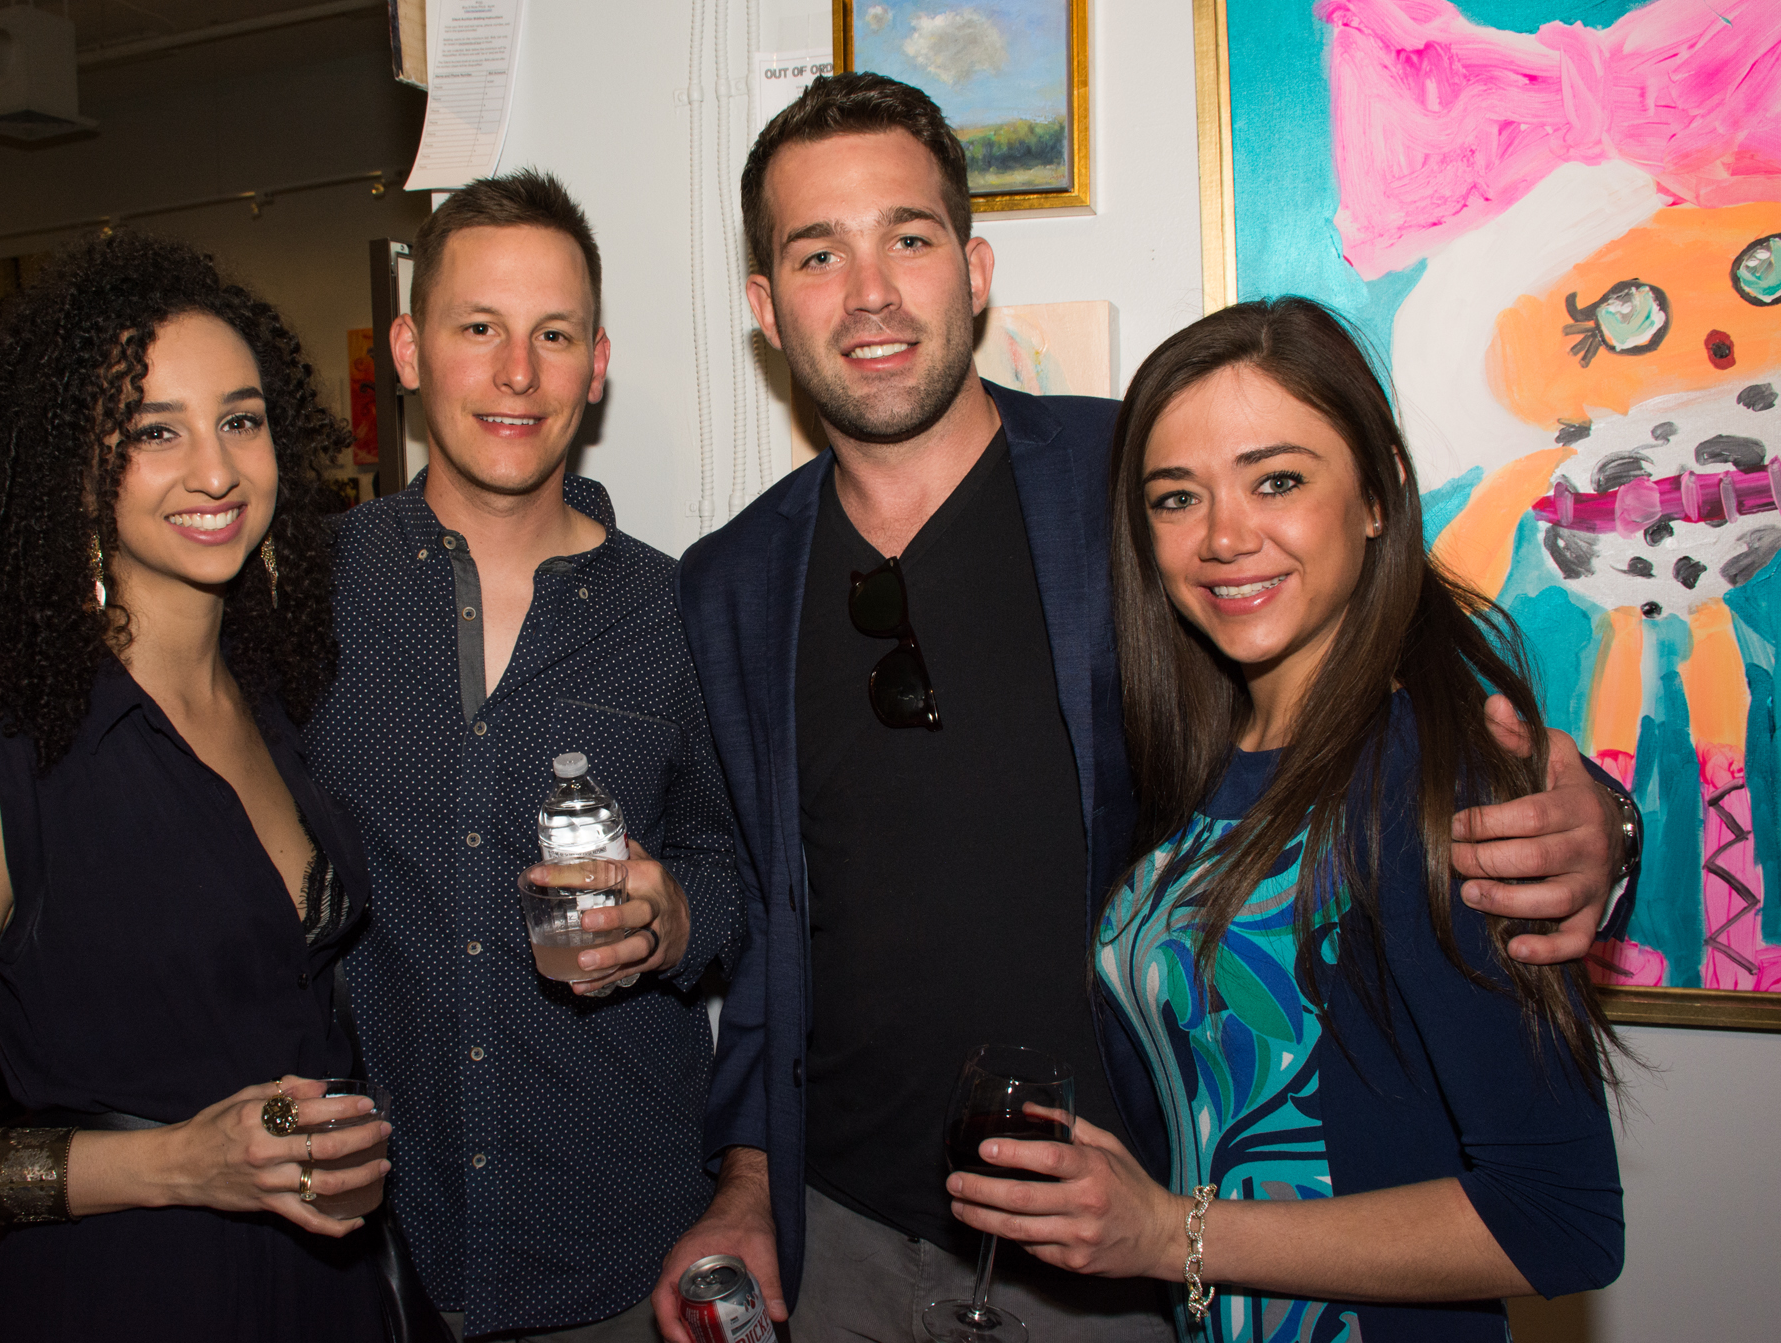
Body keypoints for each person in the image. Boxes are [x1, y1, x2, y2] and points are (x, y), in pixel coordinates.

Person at [658, 73, 1638, 1342]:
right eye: (816, 253)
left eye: (906, 237)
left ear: (972, 268)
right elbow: (766, 919)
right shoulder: (728, 582)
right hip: (838, 1238)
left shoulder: (1141, 484)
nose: (869, 293)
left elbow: (1389, 668)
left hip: (1127, 1256)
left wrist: (1598, 827)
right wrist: (746, 1182)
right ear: (764, 306)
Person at [0, 171, 748, 1340]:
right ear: (409, 350)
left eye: (554, 334)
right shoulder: (292, 590)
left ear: (597, 364)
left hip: (612, 1246)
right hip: (371, 1252)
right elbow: (122, 688)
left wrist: (677, 916)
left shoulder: (680, 613)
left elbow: (738, 877)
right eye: (477, 327)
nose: (516, 372)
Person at [947, 296, 1625, 1339]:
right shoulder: (1203, 759)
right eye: (1177, 498)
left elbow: (1558, 1220)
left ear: (1376, 495)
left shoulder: (1435, 783)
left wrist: (1169, 1232)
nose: (1224, 536)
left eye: (1277, 480)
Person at [0, 233, 391, 1340]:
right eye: (153, 431)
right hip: (138, 1284)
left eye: (241, 420)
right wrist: (172, 1164)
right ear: (72, 465)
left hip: (324, 1280)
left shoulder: (275, 693)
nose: (215, 470)